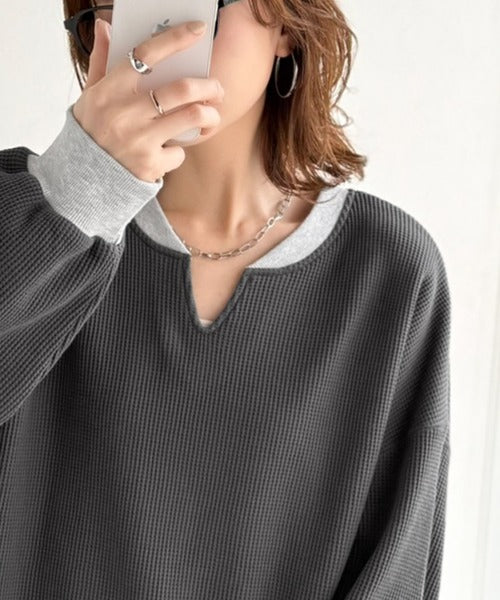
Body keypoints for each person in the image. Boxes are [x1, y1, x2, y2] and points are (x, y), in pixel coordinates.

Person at [0, 1, 451, 598]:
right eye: (116, 1)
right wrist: (76, 192)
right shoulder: (25, 218)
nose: (160, 21)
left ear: (286, 26)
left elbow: (395, 571)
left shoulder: (388, 272)